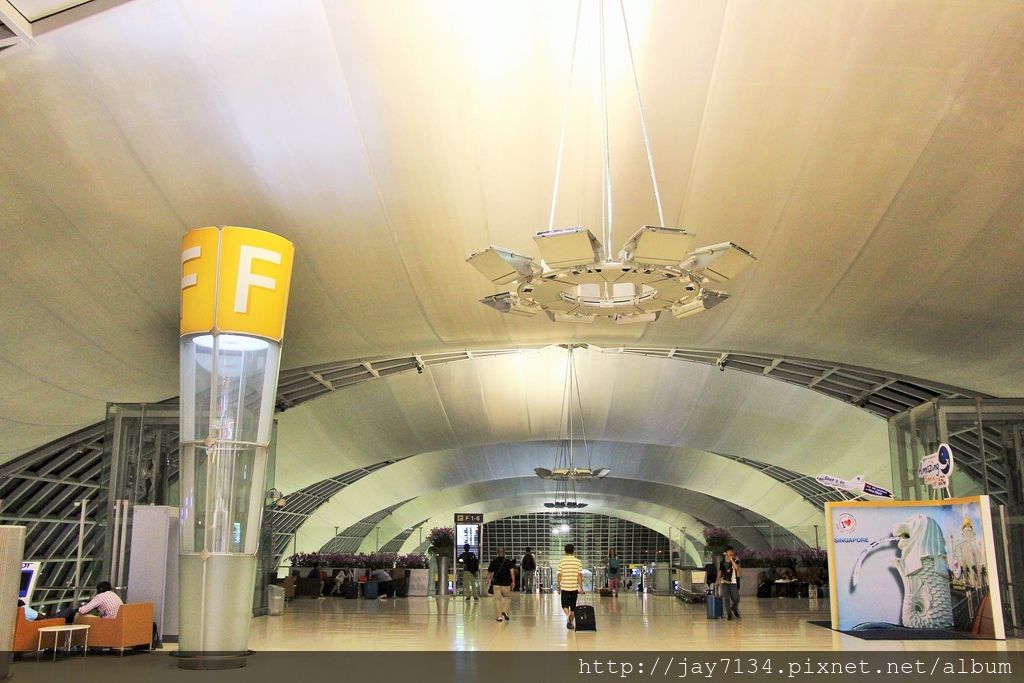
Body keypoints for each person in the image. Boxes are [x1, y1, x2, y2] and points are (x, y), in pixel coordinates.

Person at [556, 543, 584, 630]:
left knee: (564, 604)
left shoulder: (561, 562)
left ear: (565, 551)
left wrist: (558, 586)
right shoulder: (578, 562)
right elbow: (579, 576)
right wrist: (581, 588)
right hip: (574, 587)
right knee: (573, 605)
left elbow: (559, 576)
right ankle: (571, 620)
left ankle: (568, 616)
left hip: (565, 587)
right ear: (573, 551)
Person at [485, 547, 515, 622]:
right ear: (504, 553)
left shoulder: (494, 561)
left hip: (496, 584)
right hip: (506, 584)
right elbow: (512, 572)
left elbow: (490, 572)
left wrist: (487, 580)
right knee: (507, 598)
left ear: (497, 553)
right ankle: (505, 611)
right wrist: (513, 582)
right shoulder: (508, 562)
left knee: (497, 600)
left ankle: (499, 617)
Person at [717, 546, 741, 620]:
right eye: (728, 551)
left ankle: (734, 608)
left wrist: (731, 559)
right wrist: (717, 580)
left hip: (733, 582)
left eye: (731, 551)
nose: (730, 552)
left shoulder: (735, 560)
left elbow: (736, 568)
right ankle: (729, 614)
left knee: (736, 598)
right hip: (724, 582)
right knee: (726, 598)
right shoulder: (722, 562)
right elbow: (720, 572)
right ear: (725, 553)